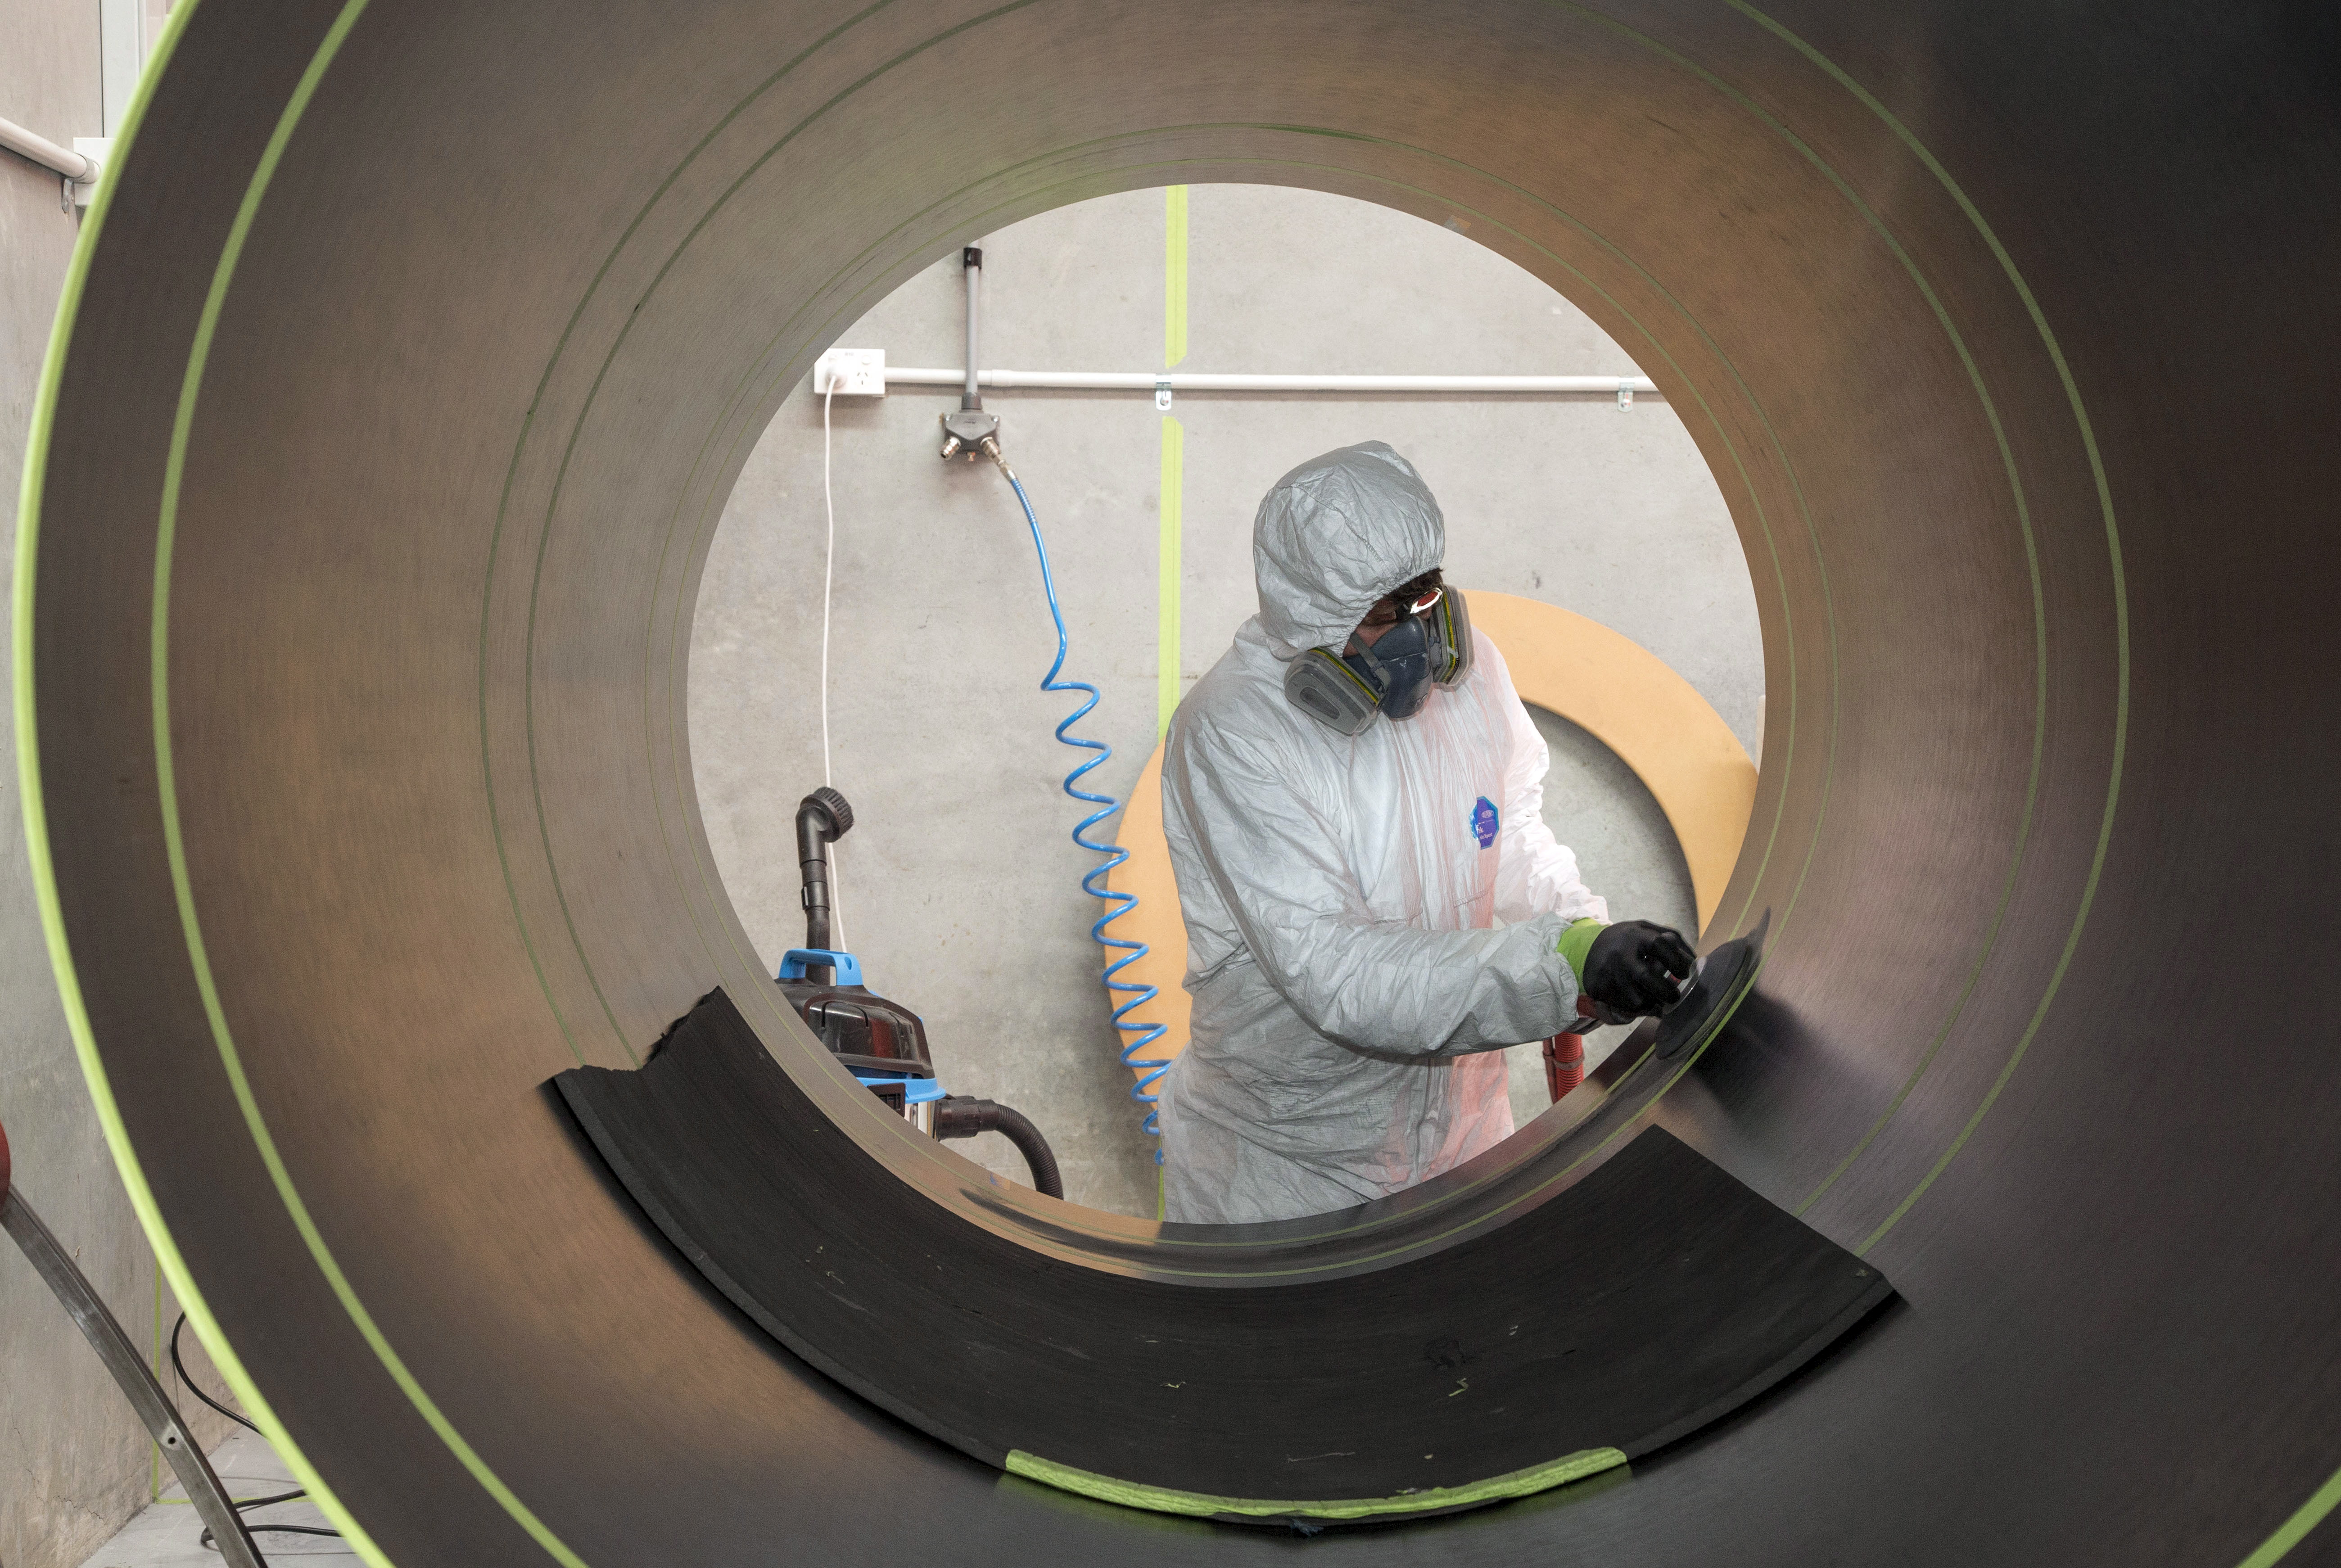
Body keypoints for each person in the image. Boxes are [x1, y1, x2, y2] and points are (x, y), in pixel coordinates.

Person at [1155, 441, 1695, 1225]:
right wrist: (1554, 965)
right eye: (1382, 614)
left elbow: (1506, 834)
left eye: (1424, 597)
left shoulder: (1474, 682)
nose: (1416, 634)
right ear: (1312, 614)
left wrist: (1587, 932)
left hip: (1468, 1144)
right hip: (1289, 1172)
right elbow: (1338, 972)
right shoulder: (1236, 734)